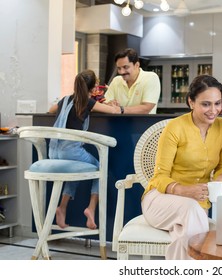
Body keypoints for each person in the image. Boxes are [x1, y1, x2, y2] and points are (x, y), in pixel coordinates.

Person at [141, 75, 222, 260]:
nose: (213, 110)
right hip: (160, 200)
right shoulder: (175, 127)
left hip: (197, 208)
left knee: (185, 240)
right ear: (191, 102)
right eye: (206, 104)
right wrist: (183, 190)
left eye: (217, 103)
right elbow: (159, 177)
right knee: (193, 214)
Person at [48, 69, 121, 230]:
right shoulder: (88, 103)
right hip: (71, 151)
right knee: (100, 166)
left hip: (53, 152)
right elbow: (114, 112)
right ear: (93, 88)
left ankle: (62, 207)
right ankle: (91, 208)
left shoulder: (65, 100)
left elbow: (51, 110)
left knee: (76, 171)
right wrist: (115, 106)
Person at [104, 48, 161, 114]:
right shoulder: (116, 81)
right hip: (118, 123)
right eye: (119, 68)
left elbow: (146, 108)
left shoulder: (151, 78)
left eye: (125, 67)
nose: (121, 72)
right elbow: (105, 104)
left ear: (136, 65)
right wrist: (109, 104)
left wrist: (120, 110)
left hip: (144, 124)